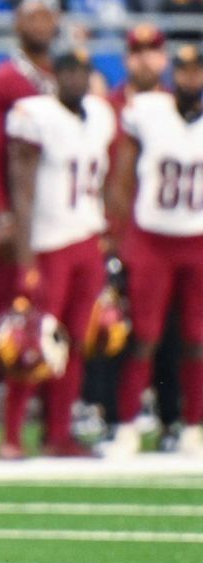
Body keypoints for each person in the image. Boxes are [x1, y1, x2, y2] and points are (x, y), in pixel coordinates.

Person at [3, 49, 115, 459]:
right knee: (34, 341)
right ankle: (11, 435)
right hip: (49, 243)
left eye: (81, 72)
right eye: (68, 71)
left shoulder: (101, 115)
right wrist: (25, 256)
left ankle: (58, 434)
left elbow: (106, 180)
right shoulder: (37, 116)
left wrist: (107, 234)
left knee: (78, 341)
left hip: (87, 237)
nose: (75, 79)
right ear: (55, 75)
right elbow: (22, 187)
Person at [0, 0, 59, 454]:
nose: (42, 21)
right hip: (16, 222)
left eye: (48, 12)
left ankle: (48, 421)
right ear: (17, 21)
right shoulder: (1, 82)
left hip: (57, 222)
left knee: (48, 318)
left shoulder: (60, 77)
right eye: (33, 12)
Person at [100, 43, 203, 458]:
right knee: (142, 334)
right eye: (183, 70)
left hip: (197, 239)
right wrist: (118, 233)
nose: (189, 78)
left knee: (197, 337)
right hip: (152, 238)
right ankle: (126, 425)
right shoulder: (146, 111)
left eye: (196, 71)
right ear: (172, 73)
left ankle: (194, 426)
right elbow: (123, 176)